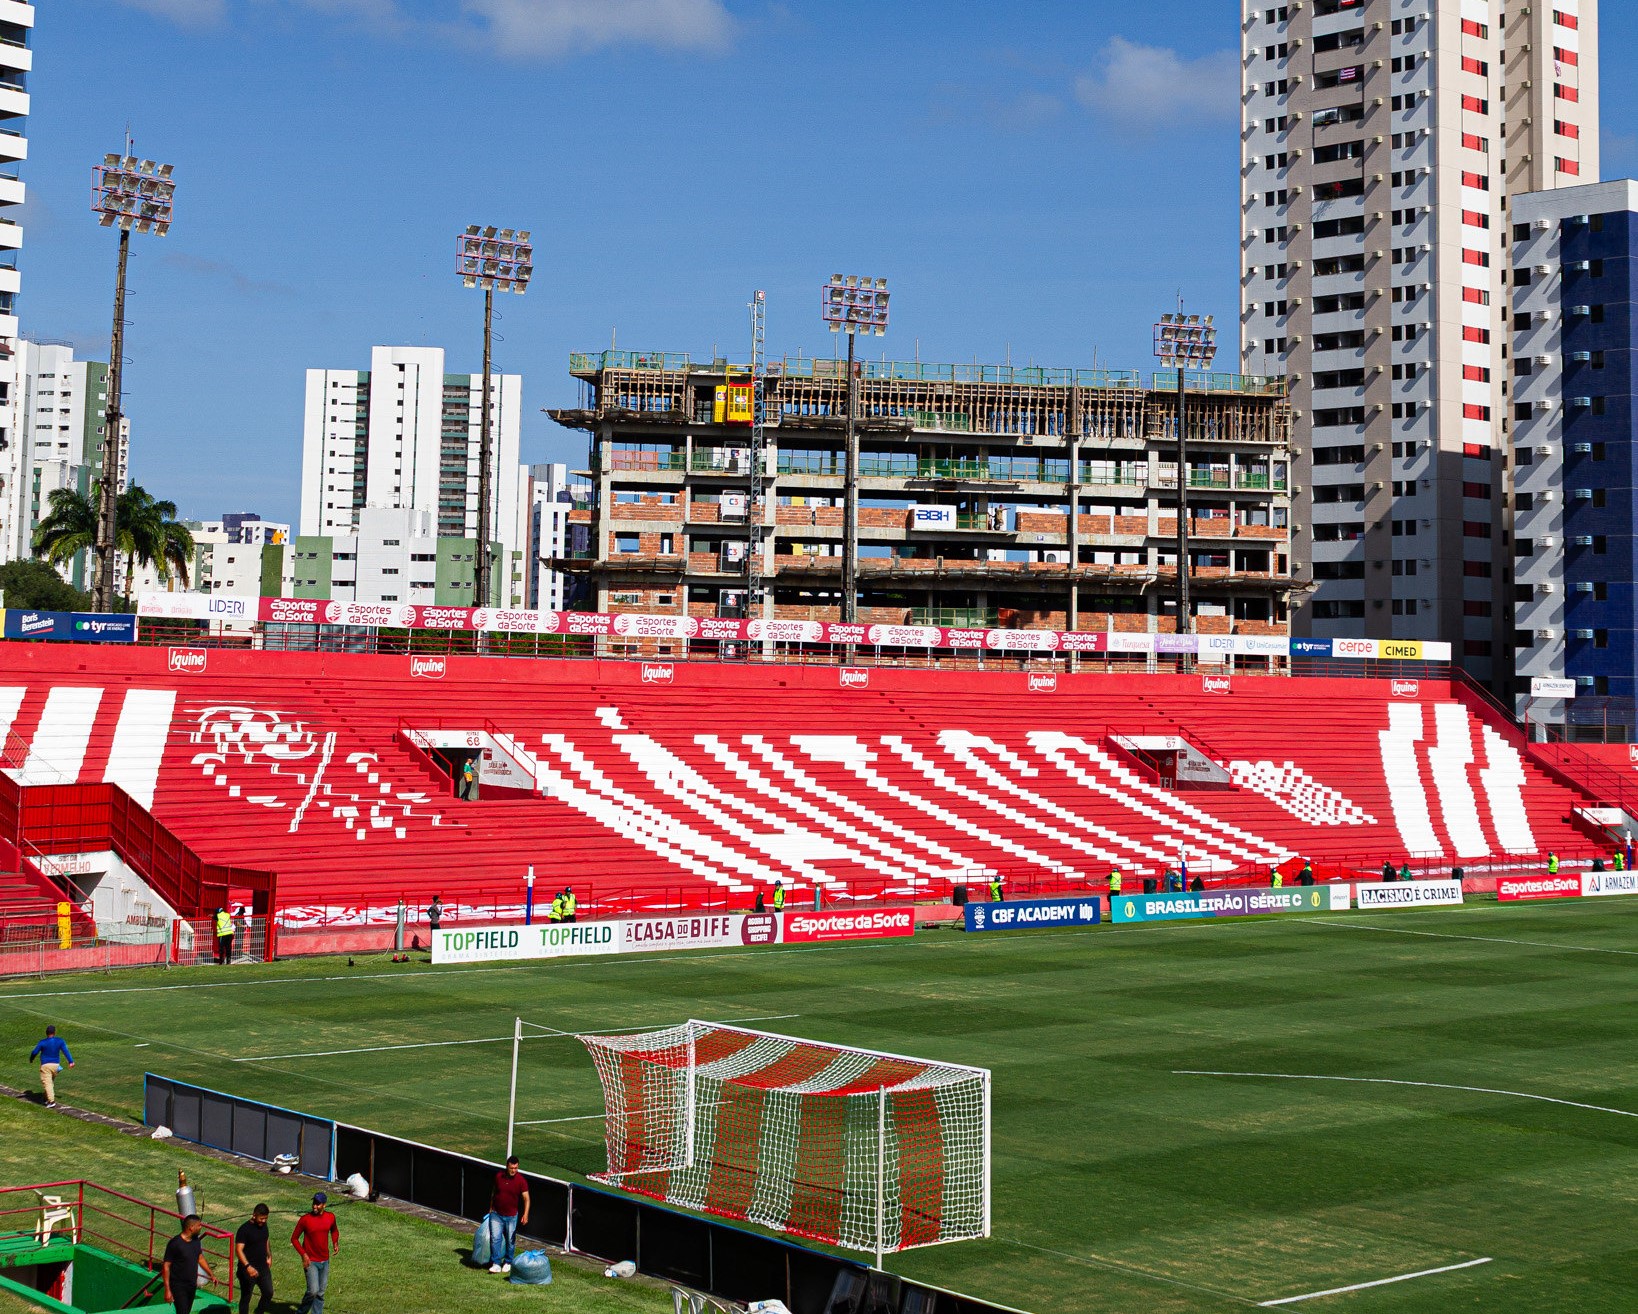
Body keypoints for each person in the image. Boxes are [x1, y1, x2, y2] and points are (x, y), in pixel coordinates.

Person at [292, 1192, 339, 1314]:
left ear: (324, 1205)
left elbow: (334, 1230)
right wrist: (303, 1254)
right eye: (314, 1203)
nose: (314, 1206)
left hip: (325, 1260)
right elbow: (294, 1239)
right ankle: (301, 1312)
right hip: (311, 1261)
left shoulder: (330, 1217)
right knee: (313, 1291)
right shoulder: (305, 1220)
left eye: (318, 1204)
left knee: (320, 1292)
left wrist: (335, 1242)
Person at [163, 1214, 216, 1314]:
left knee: (186, 1311)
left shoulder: (196, 1241)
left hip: (191, 1284)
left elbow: (200, 1258)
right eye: (199, 1225)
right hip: (178, 1286)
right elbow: (166, 1266)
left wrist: (211, 1274)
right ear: (191, 1227)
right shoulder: (175, 1243)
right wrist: (167, 1289)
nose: (201, 1227)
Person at [488, 1154, 531, 1275]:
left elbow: (526, 1199)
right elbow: (494, 1192)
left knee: (510, 1240)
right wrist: (490, 1208)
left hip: (511, 1216)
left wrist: (525, 1214)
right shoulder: (498, 1177)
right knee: (495, 1238)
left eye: (516, 1168)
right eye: (512, 1168)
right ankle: (496, 1263)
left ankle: (508, 1262)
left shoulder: (521, 1181)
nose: (514, 1170)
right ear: (507, 1166)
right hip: (496, 1214)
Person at [235, 1204, 274, 1314]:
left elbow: (266, 1240)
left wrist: (269, 1256)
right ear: (254, 1215)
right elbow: (239, 1250)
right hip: (247, 1270)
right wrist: (248, 1266)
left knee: (268, 1292)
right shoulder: (244, 1230)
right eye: (261, 1218)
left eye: (266, 1218)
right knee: (246, 1297)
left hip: (263, 1267)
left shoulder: (264, 1226)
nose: (264, 1221)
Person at [29, 1025, 73, 1108]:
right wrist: (71, 1061)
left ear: (46, 1033)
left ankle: (51, 1101)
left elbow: (34, 1052)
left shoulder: (42, 1042)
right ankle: (45, 1098)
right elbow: (65, 1051)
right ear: (54, 1032)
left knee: (47, 1083)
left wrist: (31, 1059)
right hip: (56, 1066)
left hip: (46, 1066)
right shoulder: (60, 1041)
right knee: (50, 1082)